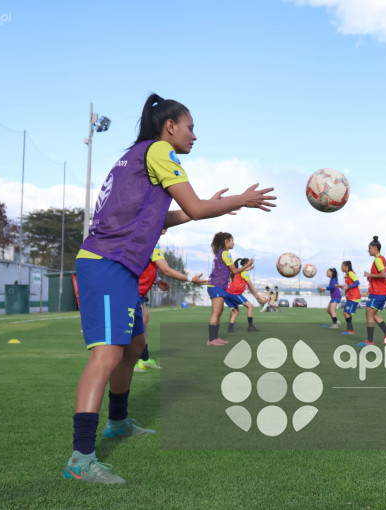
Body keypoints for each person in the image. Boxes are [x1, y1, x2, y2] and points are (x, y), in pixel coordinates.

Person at [65, 93, 275, 484]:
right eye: (190, 127)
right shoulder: (160, 150)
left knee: (134, 347)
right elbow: (195, 209)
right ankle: (80, 459)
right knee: (106, 357)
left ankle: (118, 422)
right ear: (170, 126)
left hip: (120, 266)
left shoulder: (138, 154)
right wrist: (241, 200)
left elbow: (161, 217)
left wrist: (208, 205)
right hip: (106, 263)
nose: (194, 135)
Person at [135, 235, 208, 371]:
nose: (165, 228)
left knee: (144, 320)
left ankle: (144, 359)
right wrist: (191, 279)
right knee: (134, 325)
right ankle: (129, 360)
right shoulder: (149, 240)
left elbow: (145, 265)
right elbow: (166, 270)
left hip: (139, 292)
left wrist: (157, 280)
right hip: (131, 290)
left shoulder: (149, 240)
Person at [207, 232, 254, 345]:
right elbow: (235, 271)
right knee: (216, 312)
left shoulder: (221, 253)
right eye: (232, 240)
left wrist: (246, 268)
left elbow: (232, 271)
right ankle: (211, 339)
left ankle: (215, 337)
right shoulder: (225, 253)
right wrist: (247, 265)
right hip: (216, 286)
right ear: (226, 241)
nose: (234, 243)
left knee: (219, 312)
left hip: (219, 286)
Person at [362, 236, 386, 345]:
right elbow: (385, 273)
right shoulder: (382, 259)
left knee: (369, 314)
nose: (368, 250)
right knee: (373, 314)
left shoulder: (377, 259)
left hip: (378, 292)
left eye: (369, 248)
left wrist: (369, 275)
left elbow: (383, 274)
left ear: (375, 248)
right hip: (383, 292)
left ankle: (370, 341)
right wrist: (371, 278)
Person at [225, 258, 265, 332]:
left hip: (227, 294)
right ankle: (250, 326)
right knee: (250, 306)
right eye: (250, 264)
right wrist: (258, 297)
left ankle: (230, 328)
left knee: (236, 311)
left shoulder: (238, 271)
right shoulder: (245, 273)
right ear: (245, 264)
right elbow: (251, 286)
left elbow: (250, 288)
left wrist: (257, 297)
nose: (251, 265)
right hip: (234, 294)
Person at [338, 261, 361, 335]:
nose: (341, 268)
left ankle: (351, 330)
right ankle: (349, 329)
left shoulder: (351, 273)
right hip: (350, 297)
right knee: (347, 313)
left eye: (342, 266)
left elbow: (357, 282)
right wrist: (340, 286)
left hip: (354, 297)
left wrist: (348, 287)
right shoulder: (347, 275)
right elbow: (347, 286)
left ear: (347, 267)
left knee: (345, 312)